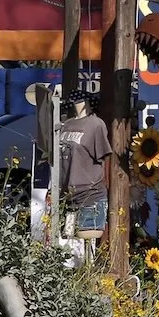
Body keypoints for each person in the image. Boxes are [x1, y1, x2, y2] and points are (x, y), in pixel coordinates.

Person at [58, 91, 113, 239]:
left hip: (90, 198)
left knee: (85, 244)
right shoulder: (67, 124)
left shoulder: (95, 124)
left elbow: (105, 159)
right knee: (68, 248)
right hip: (67, 200)